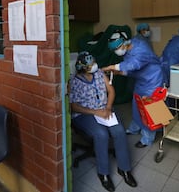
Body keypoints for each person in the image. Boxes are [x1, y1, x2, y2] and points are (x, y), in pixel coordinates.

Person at [69, 51, 137, 191]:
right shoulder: (74, 81)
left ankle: (124, 169)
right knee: (101, 134)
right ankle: (103, 174)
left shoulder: (100, 74)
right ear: (82, 68)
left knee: (119, 131)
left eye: (93, 62)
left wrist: (107, 107)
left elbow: (111, 91)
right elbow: (73, 106)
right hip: (85, 114)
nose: (94, 65)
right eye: (90, 65)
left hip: (104, 110)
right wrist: (95, 112)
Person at [102, 33, 164, 148]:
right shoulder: (128, 50)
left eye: (117, 48)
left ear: (124, 43)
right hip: (141, 80)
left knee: (152, 109)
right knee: (137, 105)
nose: (117, 51)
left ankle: (148, 138)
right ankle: (134, 128)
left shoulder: (141, 47)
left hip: (153, 80)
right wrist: (120, 72)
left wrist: (113, 67)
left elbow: (134, 64)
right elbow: (132, 68)